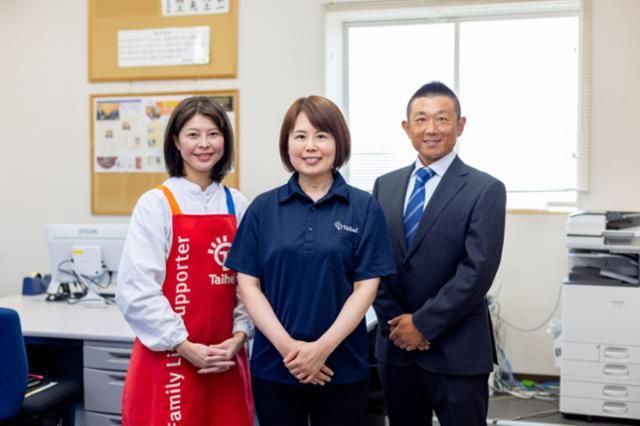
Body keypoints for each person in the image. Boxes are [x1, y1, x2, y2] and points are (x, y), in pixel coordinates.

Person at [225, 95, 396, 426]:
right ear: (287, 143)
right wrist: (290, 350)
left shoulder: (363, 208)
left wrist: (321, 349)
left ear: (338, 142)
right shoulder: (263, 208)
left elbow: (366, 289)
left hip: (341, 366)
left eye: (321, 136)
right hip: (275, 365)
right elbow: (248, 286)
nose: (310, 146)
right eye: (300, 136)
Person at [372, 81, 506, 426]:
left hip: (457, 351)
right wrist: (397, 324)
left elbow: (476, 271)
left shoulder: (485, 189)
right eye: (421, 119)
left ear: (460, 126)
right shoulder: (384, 185)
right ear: (407, 128)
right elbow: (374, 261)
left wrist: (422, 324)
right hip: (396, 349)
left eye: (442, 119)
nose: (431, 129)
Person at [116, 96, 254, 425]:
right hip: (169, 361)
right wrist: (183, 345)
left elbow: (250, 287)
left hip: (224, 361)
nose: (204, 144)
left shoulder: (237, 204)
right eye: (193, 135)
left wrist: (238, 337)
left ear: (225, 140)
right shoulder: (156, 204)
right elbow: (136, 291)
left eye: (213, 134)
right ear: (176, 142)